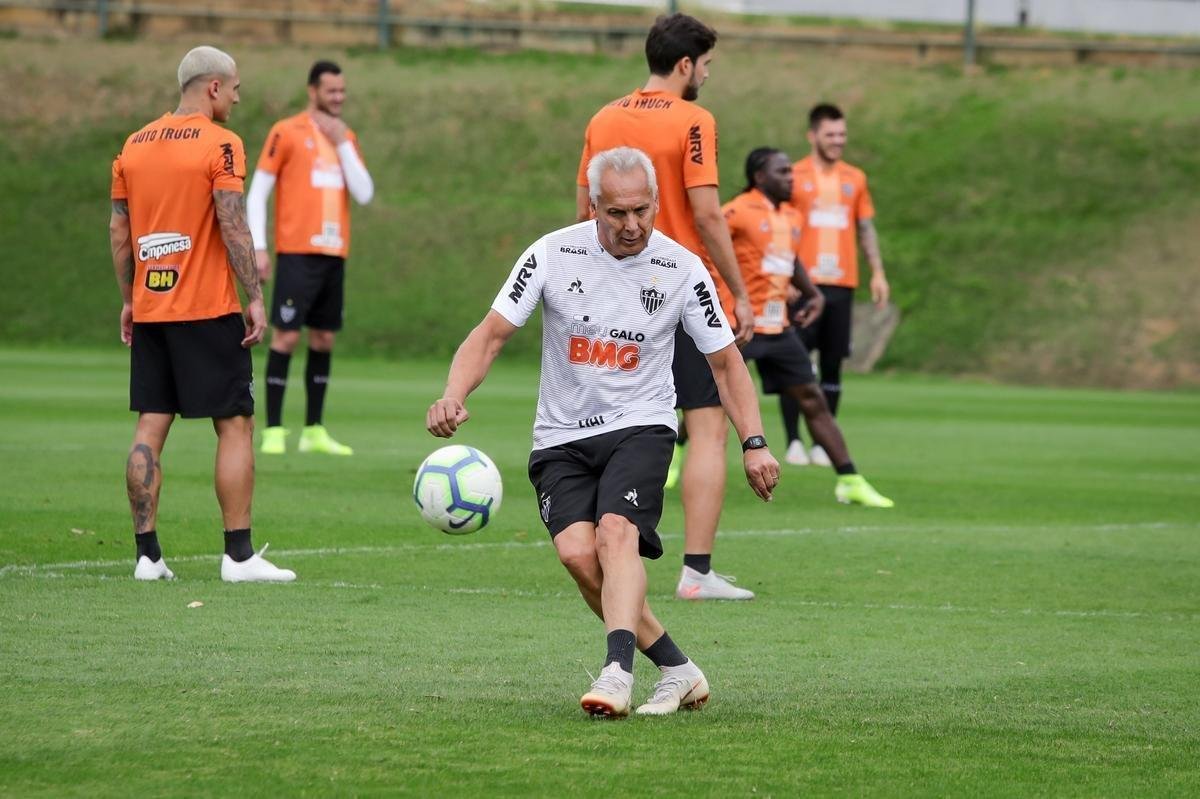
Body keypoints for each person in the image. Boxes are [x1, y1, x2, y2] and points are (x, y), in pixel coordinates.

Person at [429, 148, 779, 717]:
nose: (632, 225)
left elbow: (725, 363)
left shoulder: (682, 268)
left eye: (642, 210)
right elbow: (491, 334)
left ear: (657, 204)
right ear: (593, 206)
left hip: (641, 425)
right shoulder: (551, 253)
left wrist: (754, 442)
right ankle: (677, 669)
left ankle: (617, 672)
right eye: (617, 213)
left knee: (616, 533)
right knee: (577, 555)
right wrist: (453, 394)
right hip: (560, 435)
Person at [576, 12, 759, 601]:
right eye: (705, 64)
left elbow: (583, 211)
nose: (705, 74)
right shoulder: (694, 118)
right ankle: (697, 573)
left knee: (616, 421)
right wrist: (740, 289)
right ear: (686, 64)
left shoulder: (603, 116)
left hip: (610, 295)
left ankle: (605, 538)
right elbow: (706, 213)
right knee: (708, 428)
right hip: (678, 288)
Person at [109, 45, 296, 582]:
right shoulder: (222, 144)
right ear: (213, 87)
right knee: (235, 425)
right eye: (234, 86)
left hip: (152, 308)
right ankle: (238, 556)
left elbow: (120, 231)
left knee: (150, 425)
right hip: (208, 309)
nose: (238, 96)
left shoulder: (134, 145)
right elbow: (232, 222)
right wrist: (254, 295)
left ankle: (147, 556)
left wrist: (129, 297)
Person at [724, 148, 893, 508]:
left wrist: (812, 292)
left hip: (779, 327)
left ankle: (850, 480)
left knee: (813, 399)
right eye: (783, 172)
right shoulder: (736, 211)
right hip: (741, 326)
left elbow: (790, 257)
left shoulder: (791, 215)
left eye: (791, 171)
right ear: (760, 177)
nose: (792, 178)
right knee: (710, 403)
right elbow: (708, 249)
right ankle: (674, 460)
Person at [247, 60, 374, 456]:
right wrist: (259, 246)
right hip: (297, 252)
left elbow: (364, 192)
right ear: (313, 91)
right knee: (285, 336)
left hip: (333, 253)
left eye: (342, 91)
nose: (338, 97)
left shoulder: (346, 137)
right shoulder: (286, 132)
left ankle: (314, 429)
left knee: (323, 338)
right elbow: (258, 192)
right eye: (331, 91)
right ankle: (273, 430)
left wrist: (340, 144)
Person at [780, 103, 891, 467]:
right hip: (803, 285)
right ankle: (794, 440)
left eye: (842, 134)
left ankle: (822, 443)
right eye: (831, 134)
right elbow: (781, 227)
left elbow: (865, 228)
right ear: (812, 136)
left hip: (842, 282)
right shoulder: (793, 176)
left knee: (832, 364)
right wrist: (784, 276)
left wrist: (877, 272)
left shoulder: (854, 178)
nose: (838, 141)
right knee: (795, 362)